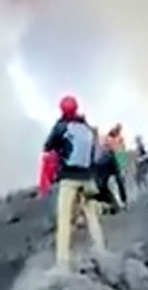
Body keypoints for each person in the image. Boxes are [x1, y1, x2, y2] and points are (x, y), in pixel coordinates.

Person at [43, 94, 106, 269]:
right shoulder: (87, 128)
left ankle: (62, 262)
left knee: (64, 218)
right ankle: (101, 250)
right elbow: (96, 153)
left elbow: (48, 146)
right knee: (91, 216)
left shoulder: (61, 126)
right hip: (87, 178)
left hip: (69, 178)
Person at [93, 137, 128, 213]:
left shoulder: (106, 152)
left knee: (113, 184)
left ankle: (119, 203)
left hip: (105, 169)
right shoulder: (101, 153)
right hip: (103, 170)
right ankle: (115, 204)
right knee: (104, 186)